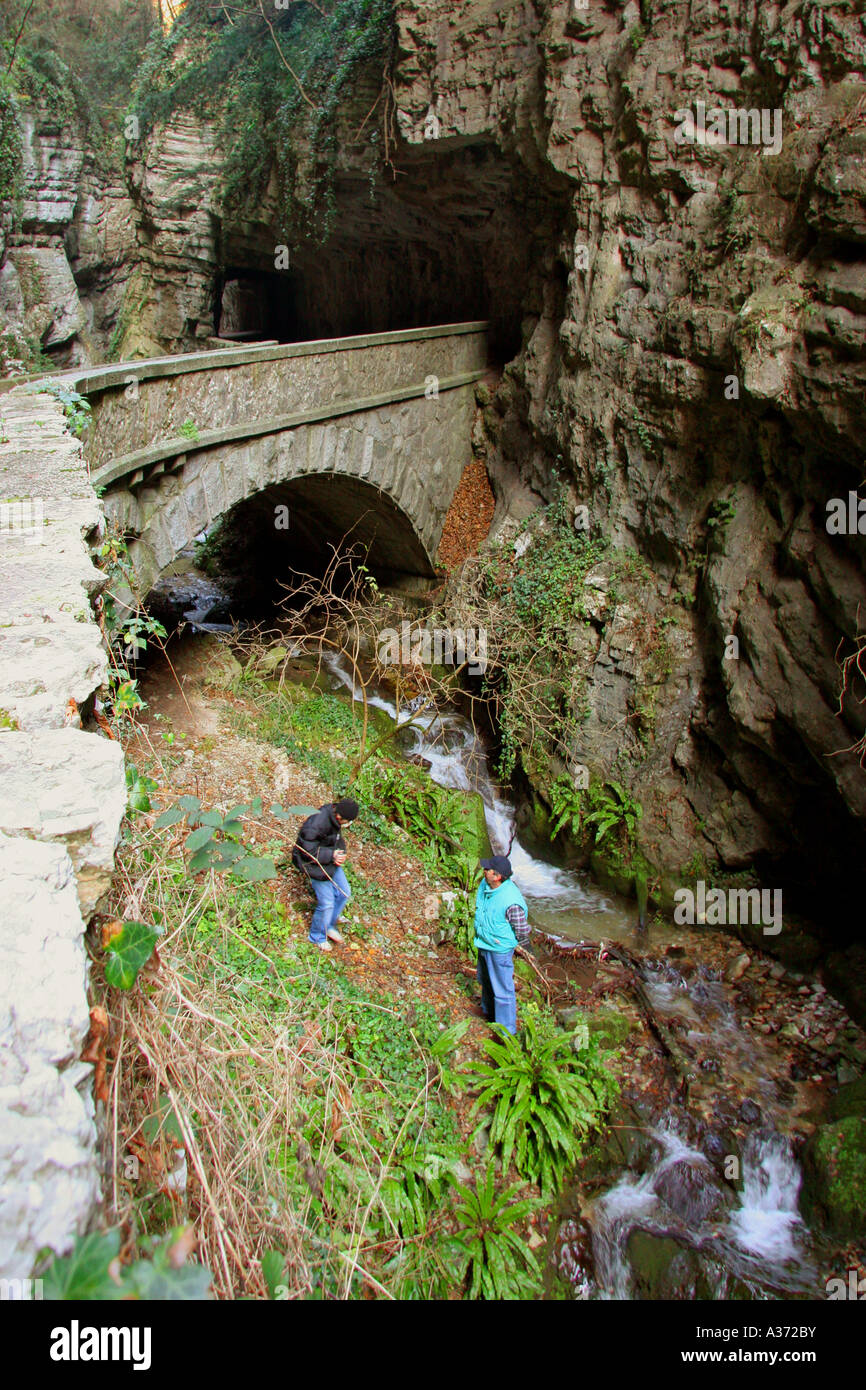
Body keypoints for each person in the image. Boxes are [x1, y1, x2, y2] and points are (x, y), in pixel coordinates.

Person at [292, 798, 359, 951]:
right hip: (311, 863)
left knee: (344, 892)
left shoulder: (335, 819)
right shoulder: (318, 822)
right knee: (327, 902)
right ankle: (317, 936)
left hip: (328, 860)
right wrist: (331, 855)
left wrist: (340, 852)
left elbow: (336, 839)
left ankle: (329, 924)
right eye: (347, 822)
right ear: (339, 817)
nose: (347, 825)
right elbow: (306, 849)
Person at [473, 855, 530, 1034]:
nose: (484, 870)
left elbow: (521, 928)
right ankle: (488, 1013)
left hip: (499, 949)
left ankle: (507, 1033)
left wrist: (518, 944)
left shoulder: (511, 900)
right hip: (484, 941)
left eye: (488, 869)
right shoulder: (486, 885)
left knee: (503, 991)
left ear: (497, 876)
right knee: (486, 980)